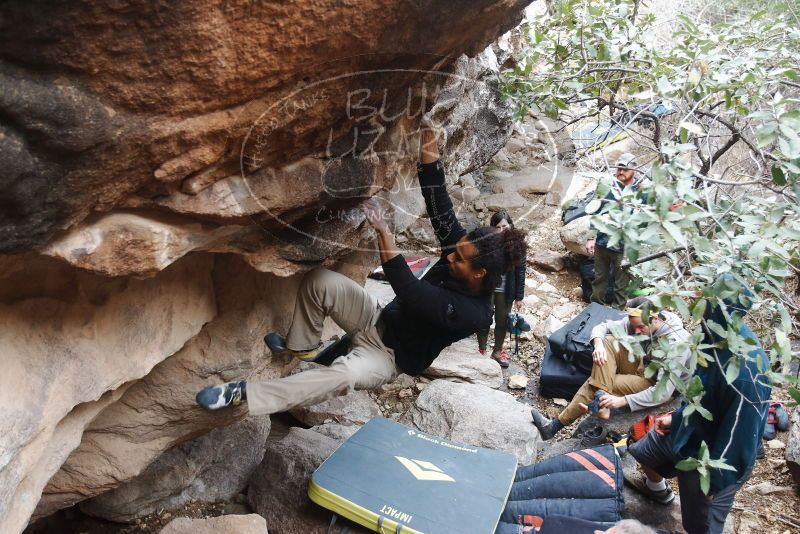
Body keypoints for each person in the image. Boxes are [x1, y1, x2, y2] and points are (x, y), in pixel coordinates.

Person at [194, 123, 528, 414]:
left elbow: (410, 291)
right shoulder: (460, 249)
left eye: (458, 259)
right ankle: (302, 346)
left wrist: (384, 232)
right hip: (375, 317)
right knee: (319, 281)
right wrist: (428, 137)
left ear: (479, 273)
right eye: (453, 251)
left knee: (343, 376)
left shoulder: (475, 313)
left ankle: (244, 394)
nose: (450, 256)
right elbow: (437, 197)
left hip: (387, 358)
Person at [626, 277, 771, 534]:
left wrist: (714, 484)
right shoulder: (711, 336)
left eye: (703, 294)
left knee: (698, 526)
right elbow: (701, 394)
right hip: (689, 432)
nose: (693, 296)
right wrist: (678, 418)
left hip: (710, 462)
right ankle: (657, 491)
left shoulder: (745, 371)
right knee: (642, 449)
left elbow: (739, 437)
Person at [531, 305, 692, 440]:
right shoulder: (645, 318)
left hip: (659, 384)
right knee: (607, 341)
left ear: (655, 320)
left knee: (595, 382)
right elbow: (604, 327)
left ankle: (554, 426)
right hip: (644, 363)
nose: (636, 331)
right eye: (634, 326)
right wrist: (598, 345)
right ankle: (602, 399)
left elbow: (662, 392)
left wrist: (620, 402)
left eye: (641, 327)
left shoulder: (675, 345)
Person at [586, 153, 645, 309]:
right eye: (619, 168)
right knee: (599, 278)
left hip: (625, 246)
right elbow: (597, 212)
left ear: (634, 169)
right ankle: (594, 308)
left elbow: (647, 218)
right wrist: (591, 238)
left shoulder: (641, 191)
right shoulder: (609, 187)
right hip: (603, 242)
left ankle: (617, 311)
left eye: (625, 169)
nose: (621, 172)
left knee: (622, 283)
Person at [476, 211, 526, 368]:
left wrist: (519, 296)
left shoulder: (518, 244)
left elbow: (521, 271)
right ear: (492, 228)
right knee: (484, 318)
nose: (502, 229)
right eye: (498, 227)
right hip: (489, 287)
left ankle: (497, 351)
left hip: (506, 289)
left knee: (502, 321)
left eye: (505, 226)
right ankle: (481, 349)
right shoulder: (487, 242)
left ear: (510, 225)